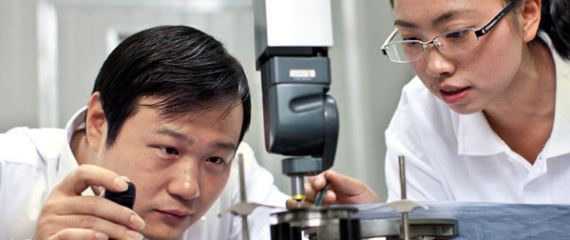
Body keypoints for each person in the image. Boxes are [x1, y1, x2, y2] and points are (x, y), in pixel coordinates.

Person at [0, 25, 288, 240]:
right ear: (99, 121)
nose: (188, 188)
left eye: (214, 160)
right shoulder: (9, 173)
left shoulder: (238, 175)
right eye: (169, 150)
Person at [301, 0, 570, 205]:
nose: (435, 65)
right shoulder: (420, 117)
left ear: (527, 14)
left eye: (457, 33)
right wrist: (383, 226)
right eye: (411, 40)